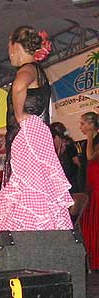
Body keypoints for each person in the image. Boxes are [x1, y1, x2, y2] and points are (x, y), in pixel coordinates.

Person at [0, 26, 73, 246]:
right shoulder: (38, 71)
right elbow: (20, 122)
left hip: (28, 140)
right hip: (32, 135)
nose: (8, 52)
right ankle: (35, 239)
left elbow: (20, 87)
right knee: (34, 188)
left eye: (9, 46)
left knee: (27, 187)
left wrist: (19, 112)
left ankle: (29, 242)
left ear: (15, 46)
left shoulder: (27, 69)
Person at [79, 112, 99, 270]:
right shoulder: (87, 142)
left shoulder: (95, 140)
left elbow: (91, 156)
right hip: (90, 184)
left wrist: (91, 137)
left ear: (92, 124)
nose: (81, 127)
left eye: (84, 124)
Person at [50, 122, 81, 194]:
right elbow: (77, 162)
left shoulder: (67, 145)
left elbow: (76, 161)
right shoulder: (68, 143)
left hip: (68, 175)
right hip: (69, 175)